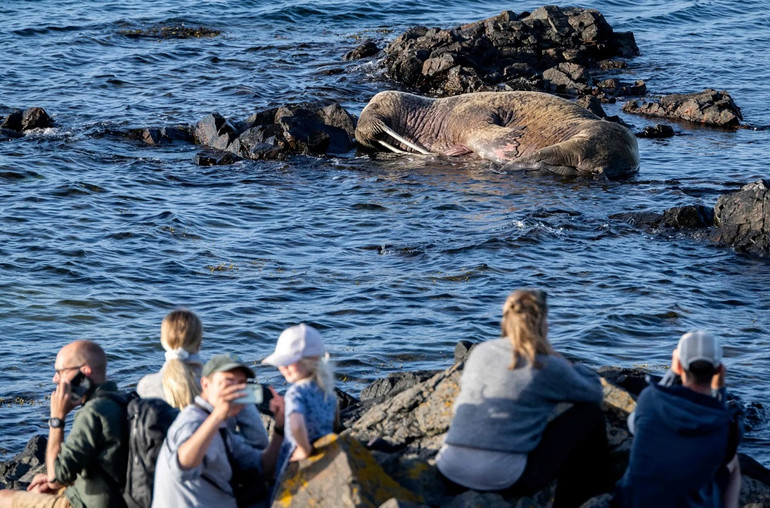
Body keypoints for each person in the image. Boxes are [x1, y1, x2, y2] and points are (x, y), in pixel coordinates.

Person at [436, 289, 610, 508]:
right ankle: (583, 501)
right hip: (503, 478)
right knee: (589, 415)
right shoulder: (545, 364)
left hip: (450, 469)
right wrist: (564, 362)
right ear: (543, 322)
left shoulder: (481, 352)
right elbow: (594, 392)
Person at [613, 331, 742, 508]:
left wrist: (673, 373)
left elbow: (633, 425)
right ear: (719, 370)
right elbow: (716, 413)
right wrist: (720, 390)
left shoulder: (649, 398)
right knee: (733, 463)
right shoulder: (727, 426)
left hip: (633, 502)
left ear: (679, 366)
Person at [0, 340, 128, 508]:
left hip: (86, 503)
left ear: (84, 374)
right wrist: (63, 483)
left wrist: (57, 418)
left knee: (4, 497)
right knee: (40, 480)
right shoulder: (123, 400)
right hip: (115, 496)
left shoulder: (91, 413)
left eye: (60, 372)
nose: (55, 379)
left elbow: (54, 478)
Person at [152, 352, 285, 508]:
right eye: (228, 382)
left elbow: (263, 467)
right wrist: (218, 415)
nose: (235, 390)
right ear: (205, 384)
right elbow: (182, 467)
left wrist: (280, 428)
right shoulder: (192, 422)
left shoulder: (222, 430)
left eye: (241, 384)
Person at [136, 309, 269, 449]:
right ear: (199, 342)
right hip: (216, 461)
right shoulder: (225, 384)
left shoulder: (145, 386)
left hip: (164, 464)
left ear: (163, 341)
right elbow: (259, 439)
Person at [262, 324, 338, 480]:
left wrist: (304, 449)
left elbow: (296, 425)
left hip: (299, 451)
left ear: (312, 360)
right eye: (281, 363)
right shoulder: (326, 390)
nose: (283, 368)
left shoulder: (295, 393)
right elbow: (335, 419)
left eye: (289, 362)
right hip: (324, 447)